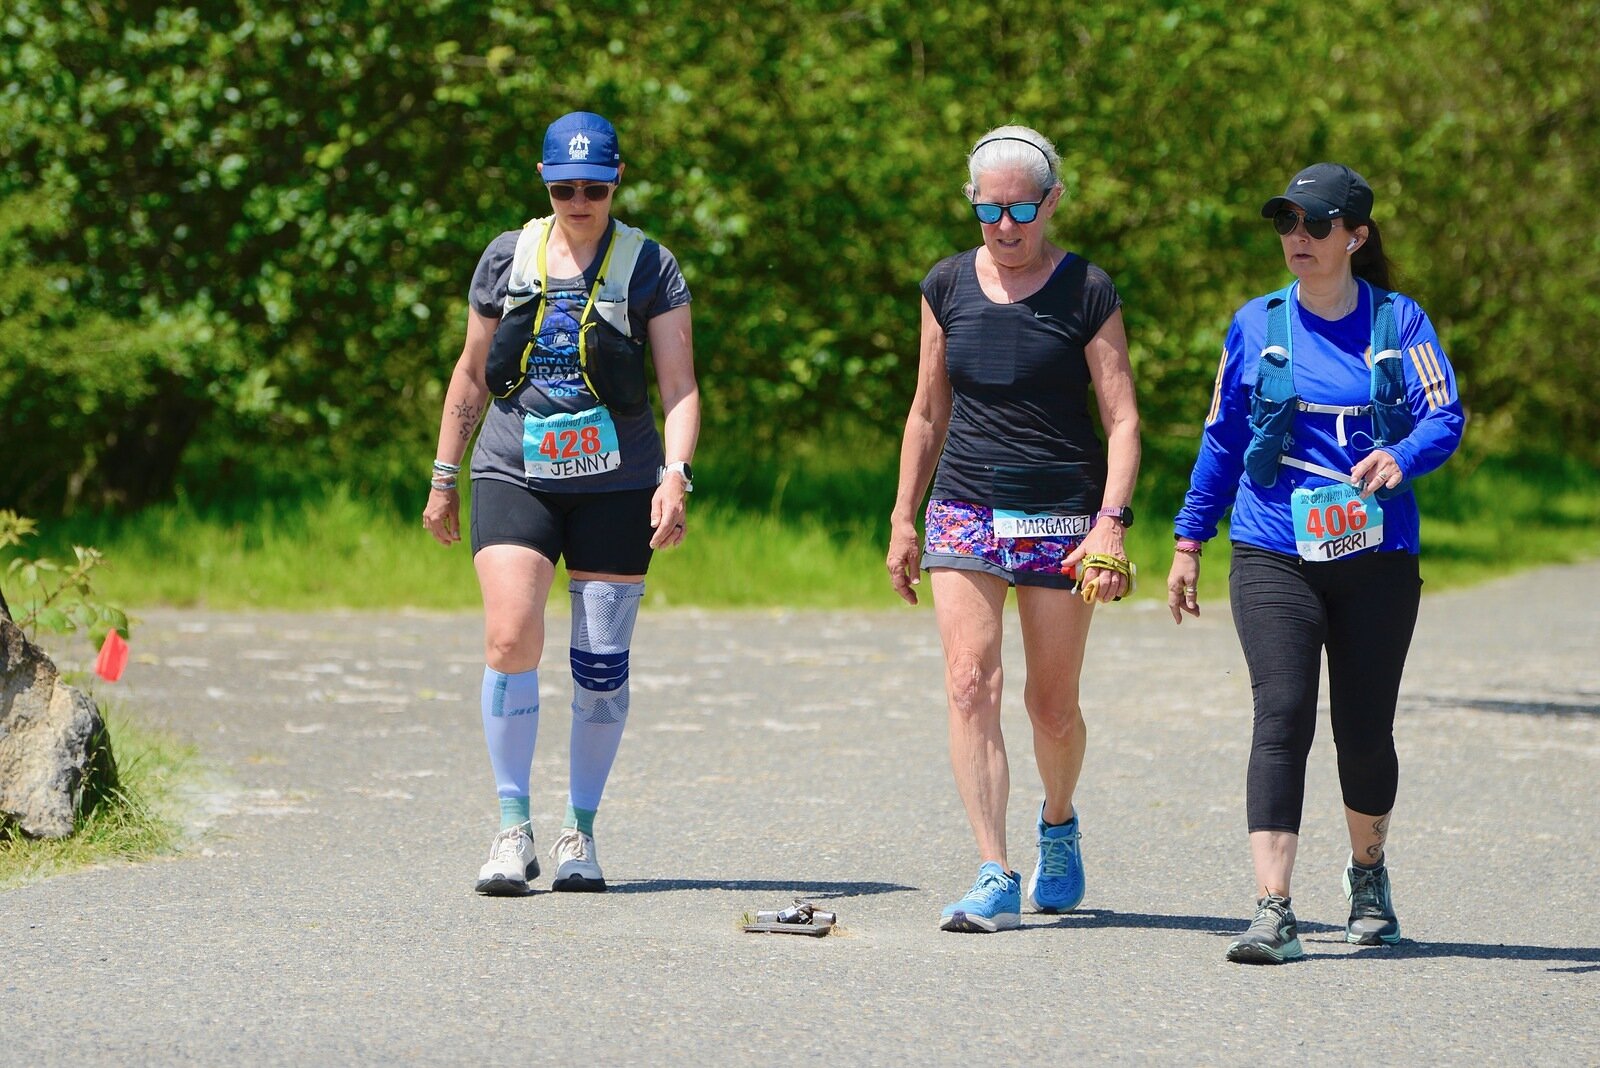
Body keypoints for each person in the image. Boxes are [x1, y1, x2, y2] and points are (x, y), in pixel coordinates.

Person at [1167, 163, 1464, 963]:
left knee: (1363, 732)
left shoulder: (1399, 321)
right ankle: (1274, 910)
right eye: (1286, 223)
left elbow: (1444, 415)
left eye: (1316, 225)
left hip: (1377, 554)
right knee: (1282, 714)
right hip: (1272, 546)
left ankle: (1368, 875)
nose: (1297, 238)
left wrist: (1402, 455)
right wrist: (1190, 539)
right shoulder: (1257, 324)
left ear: (1355, 237)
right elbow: (1223, 437)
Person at [423, 111, 699, 896]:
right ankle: (513, 828)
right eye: (565, 187)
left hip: (618, 481)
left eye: (595, 188)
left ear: (617, 182)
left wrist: (676, 475)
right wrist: (443, 476)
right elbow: (471, 371)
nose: (580, 201)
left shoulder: (651, 266)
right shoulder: (506, 257)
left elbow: (679, 386)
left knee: (600, 665)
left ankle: (581, 830)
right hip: (513, 469)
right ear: (544, 182)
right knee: (511, 636)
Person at [887, 126, 1141, 933]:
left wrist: (1110, 525)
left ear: (1052, 201)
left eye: (1022, 209)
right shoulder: (945, 285)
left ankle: (1057, 826)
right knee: (970, 683)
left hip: (1061, 514)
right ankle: (994, 871)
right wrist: (903, 517)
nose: (1005, 225)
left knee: (1052, 706)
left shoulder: (1087, 289)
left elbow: (1123, 419)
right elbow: (928, 410)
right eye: (989, 209)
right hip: (965, 505)